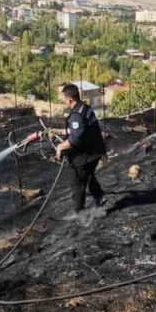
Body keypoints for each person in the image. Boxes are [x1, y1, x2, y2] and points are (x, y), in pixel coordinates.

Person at [54, 83, 107, 220]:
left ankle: (80, 214)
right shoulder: (85, 108)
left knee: (77, 183)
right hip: (96, 151)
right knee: (89, 174)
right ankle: (99, 197)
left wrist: (60, 147)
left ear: (70, 99)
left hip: (86, 155)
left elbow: (76, 140)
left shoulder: (76, 115)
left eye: (64, 99)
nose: (63, 101)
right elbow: (83, 131)